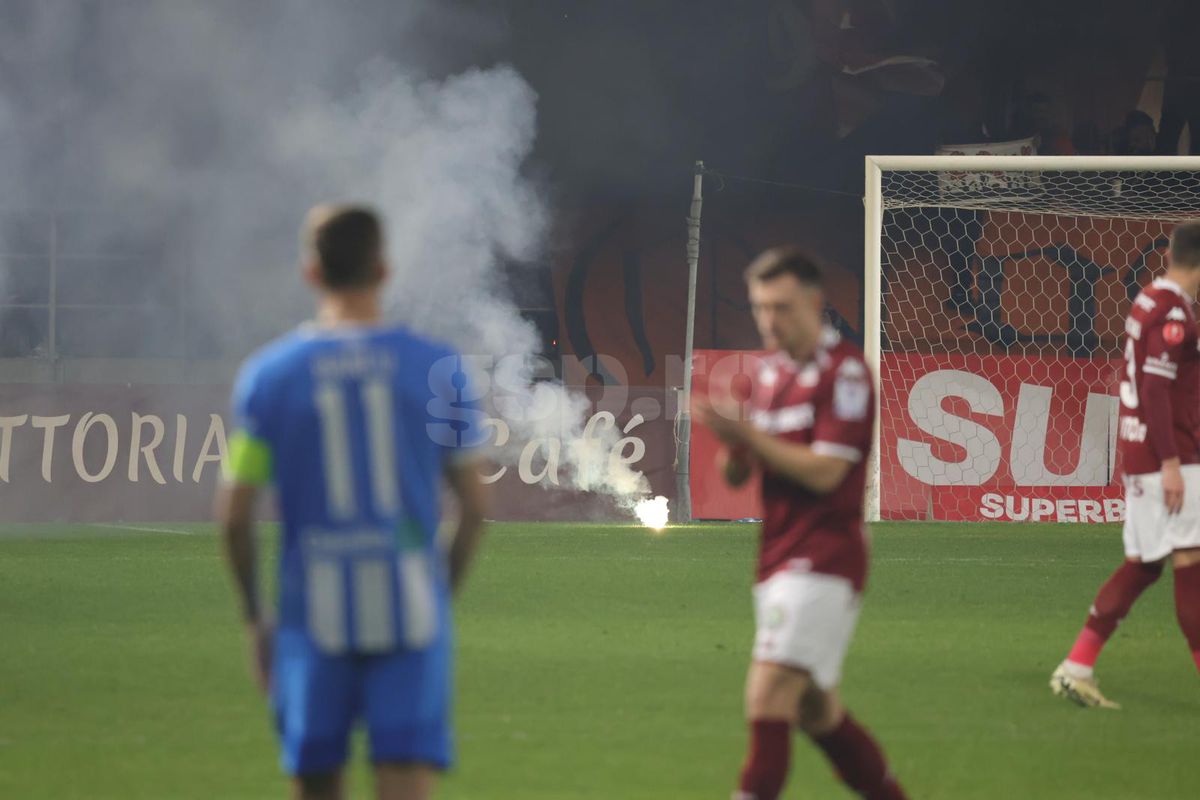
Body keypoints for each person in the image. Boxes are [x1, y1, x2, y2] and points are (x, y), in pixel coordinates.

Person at [216, 205, 489, 799]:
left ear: (310, 271)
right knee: (404, 780)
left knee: (317, 784)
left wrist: (253, 618)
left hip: (311, 616)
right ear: (384, 269)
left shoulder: (269, 377)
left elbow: (236, 517)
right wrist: (437, 594)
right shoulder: (440, 369)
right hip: (409, 613)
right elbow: (474, 508)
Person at [695, 247, 907, 800]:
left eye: (782, 307)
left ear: (815, 302)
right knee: (818, 712)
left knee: (766, 698)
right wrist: (733, 444)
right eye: (761, 307)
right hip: (776, 557)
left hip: (825, 558)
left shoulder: (847, 373)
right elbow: (738, 474)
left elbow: (826, 473)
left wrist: (750, 437)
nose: (770, 320)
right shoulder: (765, 374)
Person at [1051, 221, 1200, 708]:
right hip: (1169, 456)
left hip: (1143, 453)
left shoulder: (1148, 299)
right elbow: (1156, 388)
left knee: (1145, 566)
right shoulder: (1174, 311)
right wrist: (1174, 462)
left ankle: (1076, 666)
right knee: (1189, 563)